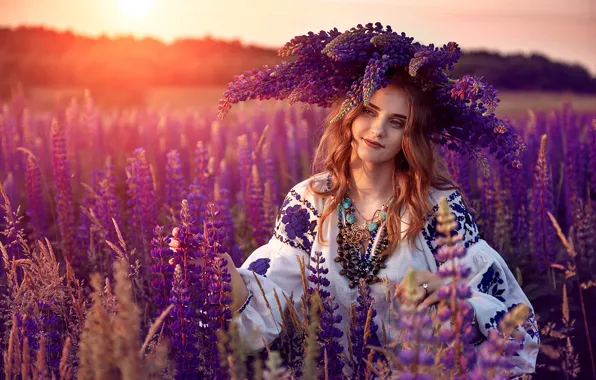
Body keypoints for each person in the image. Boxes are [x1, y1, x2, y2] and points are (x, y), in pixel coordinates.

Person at [199, 23, 539, 376]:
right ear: (349, 114)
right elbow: (276, 300)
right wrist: (230, 282)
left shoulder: (438, 208)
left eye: (397, 122)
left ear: (412, 135)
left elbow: (511, 321)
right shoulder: (309, 200)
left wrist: (460, 302)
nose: (377, 130)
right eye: (369, 111)